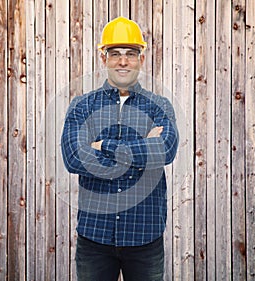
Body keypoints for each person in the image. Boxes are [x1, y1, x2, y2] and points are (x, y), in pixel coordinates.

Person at [61, 16, 179, 281]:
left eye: (130, 54)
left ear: (141, 59)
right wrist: (141, 150)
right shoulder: (82, 106)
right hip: (95, 237)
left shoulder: (159, 106)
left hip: (144, 237)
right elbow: (73, 157)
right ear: (104, 59)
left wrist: (103, 146)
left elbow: (165, 151)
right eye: (115, 54)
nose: (123, 61)